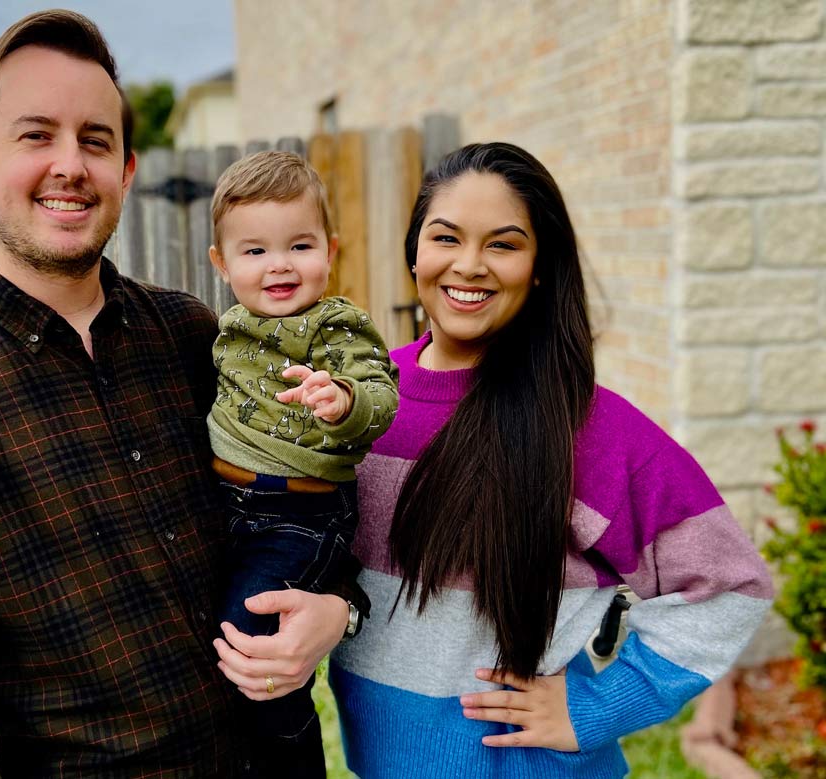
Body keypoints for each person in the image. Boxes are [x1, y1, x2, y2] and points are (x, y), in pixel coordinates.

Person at [0, 10, 355, 777]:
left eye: (94, 139)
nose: (70, 164)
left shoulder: (194, 335)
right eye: (35, 134)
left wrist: (338, 609)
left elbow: (307, 496)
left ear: (127, 169)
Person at [329, 142, 775, 779]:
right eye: (445, 237)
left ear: (539, 267)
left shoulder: (589, 428)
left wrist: (595, 706)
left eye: (504, 245)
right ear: (415, 252)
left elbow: (730, 585)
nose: (469, 265)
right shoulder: (360, 401)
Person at [205, 151, 398, 777]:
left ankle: (291, 757)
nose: (280, 264)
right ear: (223, 264)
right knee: (215, 639)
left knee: (251, 638)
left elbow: (381, 393)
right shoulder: (227, 329)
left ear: (331, 249)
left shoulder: (335, 325)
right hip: (224, 503)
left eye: (300, 245)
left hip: (301, 511)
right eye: (255, 251)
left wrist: (341, 401)